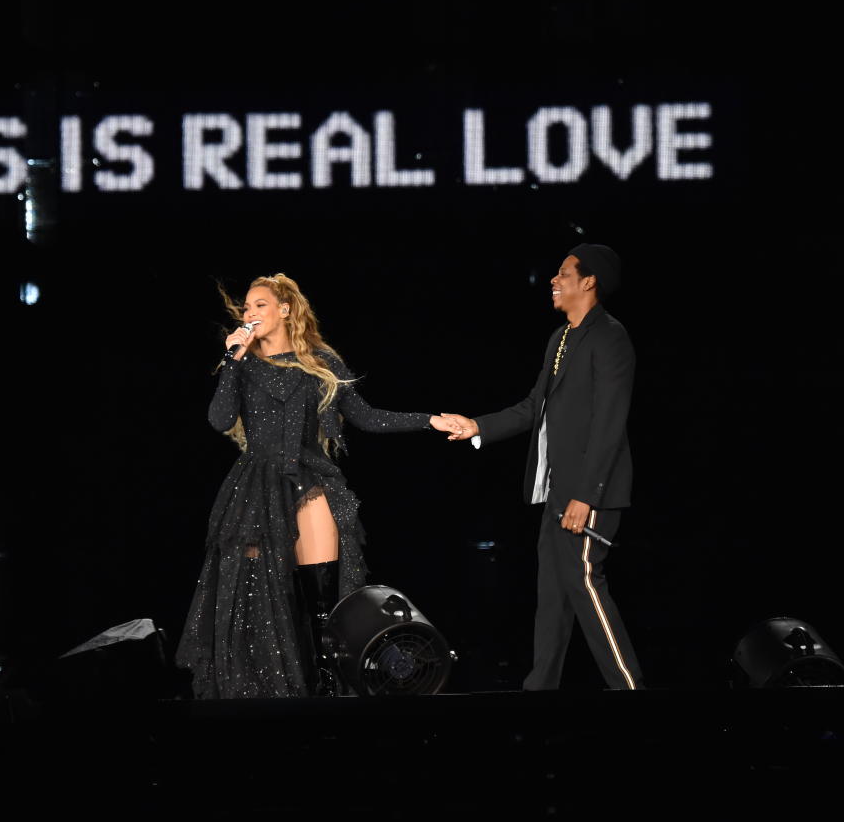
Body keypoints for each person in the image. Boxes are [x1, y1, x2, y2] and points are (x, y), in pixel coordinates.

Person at [176, 273, 459, 698]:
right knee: (261, 598)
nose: (249, 314)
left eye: (259, 305)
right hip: (256, 488)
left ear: (285, 309)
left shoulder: (321, 361)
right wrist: (232, 360)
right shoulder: (244, 364)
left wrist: (429, 419)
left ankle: (328, 686)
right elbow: (218, 420)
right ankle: (269, 691)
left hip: (308, 479)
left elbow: (367, 416)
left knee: (323, 600)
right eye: (247, 308)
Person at [441, 244, 644, 690]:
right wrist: (476, 425)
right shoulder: (562, 337)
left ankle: (633, 694)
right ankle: (539, 696)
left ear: (588, 281)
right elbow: (535, 407)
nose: (554, 280)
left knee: (588, 590)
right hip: (558, 492)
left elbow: (610, 422)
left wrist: (586, 495)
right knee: (553, 601)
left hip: (589, 494)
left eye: (563, 273)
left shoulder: (610, 336)